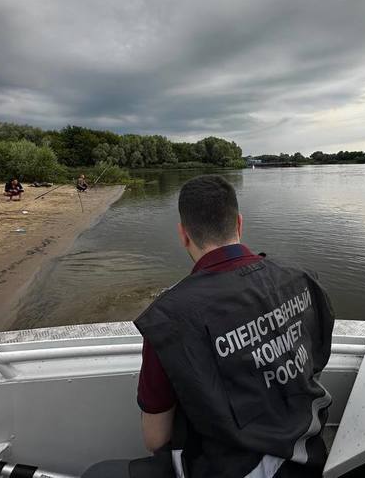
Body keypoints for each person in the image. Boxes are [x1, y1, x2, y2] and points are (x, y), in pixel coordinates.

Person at [83, 175, 335, 478]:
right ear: (240, 224)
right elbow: (316, 360)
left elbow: (156, 439)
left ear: (183, 234)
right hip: (310, 459)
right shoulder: (302, 278)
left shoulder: (170, 318)